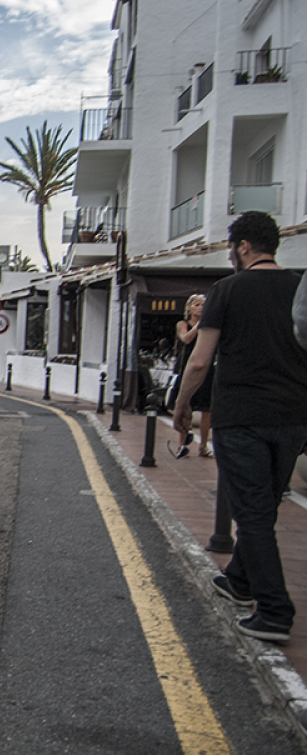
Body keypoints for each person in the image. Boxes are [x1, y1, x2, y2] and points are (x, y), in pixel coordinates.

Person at [173, 211, 307, 643]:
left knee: (251, 515)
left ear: (243, 247)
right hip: (292, 417)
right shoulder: (298, 287)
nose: (231, 255)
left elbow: (199, 359)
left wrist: (181, 402)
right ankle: (240, 580)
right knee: (264, 504)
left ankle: (273, 610)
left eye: (232, 248)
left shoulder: (226, 290)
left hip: (242, 415)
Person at [169, 294, 214, 458]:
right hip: (187, 365)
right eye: (197, 304)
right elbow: (186, 339)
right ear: (189, 308)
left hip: (207, 366)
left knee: (206, 409)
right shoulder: (183, 324)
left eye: (203, 304)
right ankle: (182, 444)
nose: (200, 308)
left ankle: (203, 446)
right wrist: (199, 326)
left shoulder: (210, 325)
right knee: (186, 406)